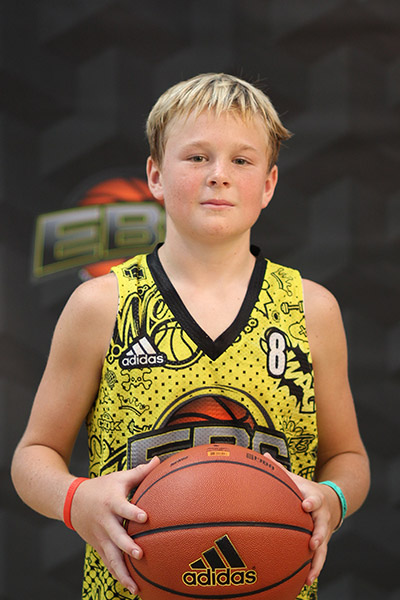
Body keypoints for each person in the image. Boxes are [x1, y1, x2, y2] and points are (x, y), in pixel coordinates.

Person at [11, 73, 370, 600]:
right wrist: (76, 499)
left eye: (241, 160)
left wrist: (333, 498)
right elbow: (34, 455)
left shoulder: (310, 309)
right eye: (197, 157)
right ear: (156, 176)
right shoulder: (103, 304)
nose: (218, 176)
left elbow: (349, 459)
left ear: (268, 185)